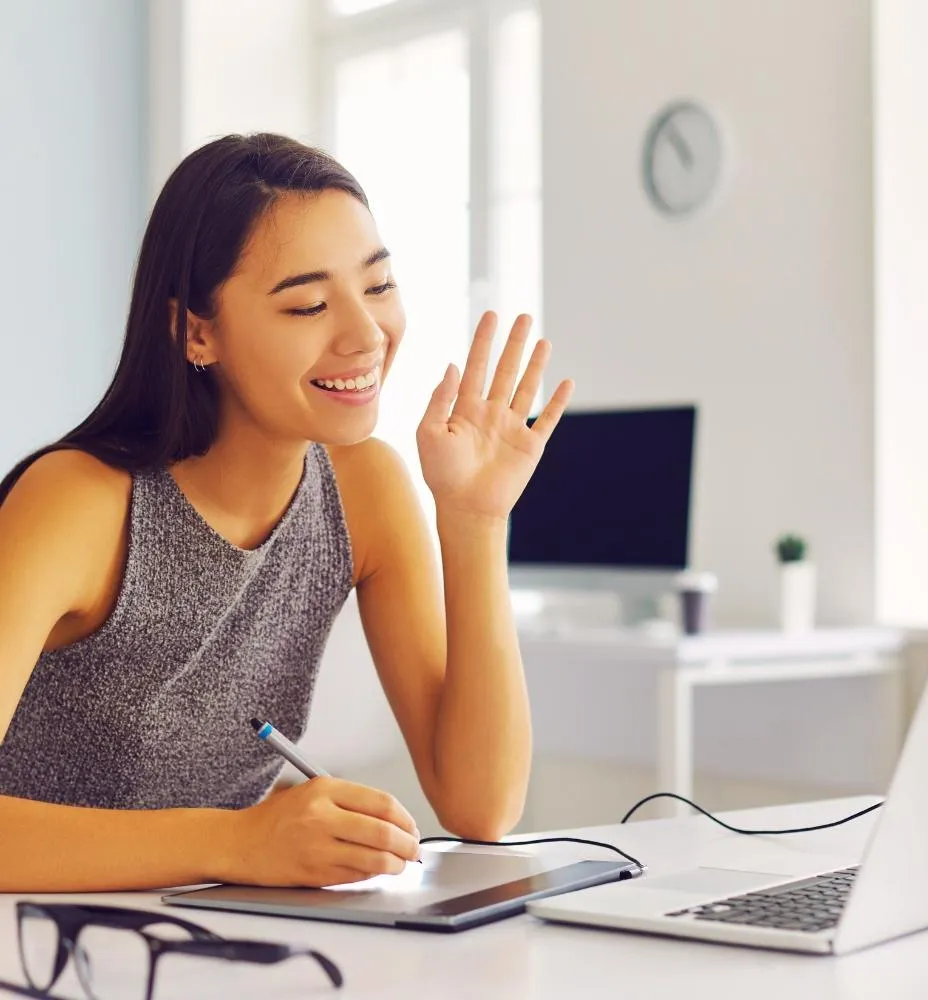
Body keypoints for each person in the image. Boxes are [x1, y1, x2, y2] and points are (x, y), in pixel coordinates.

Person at [0, 133, 573, 892]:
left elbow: (482, 806)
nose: (366, 335)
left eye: (377, 287)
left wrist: (474, 520)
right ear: (196, 332)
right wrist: (238, 842)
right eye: (308, 304)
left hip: (206, 940)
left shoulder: (365, 489)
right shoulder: (77, 502)